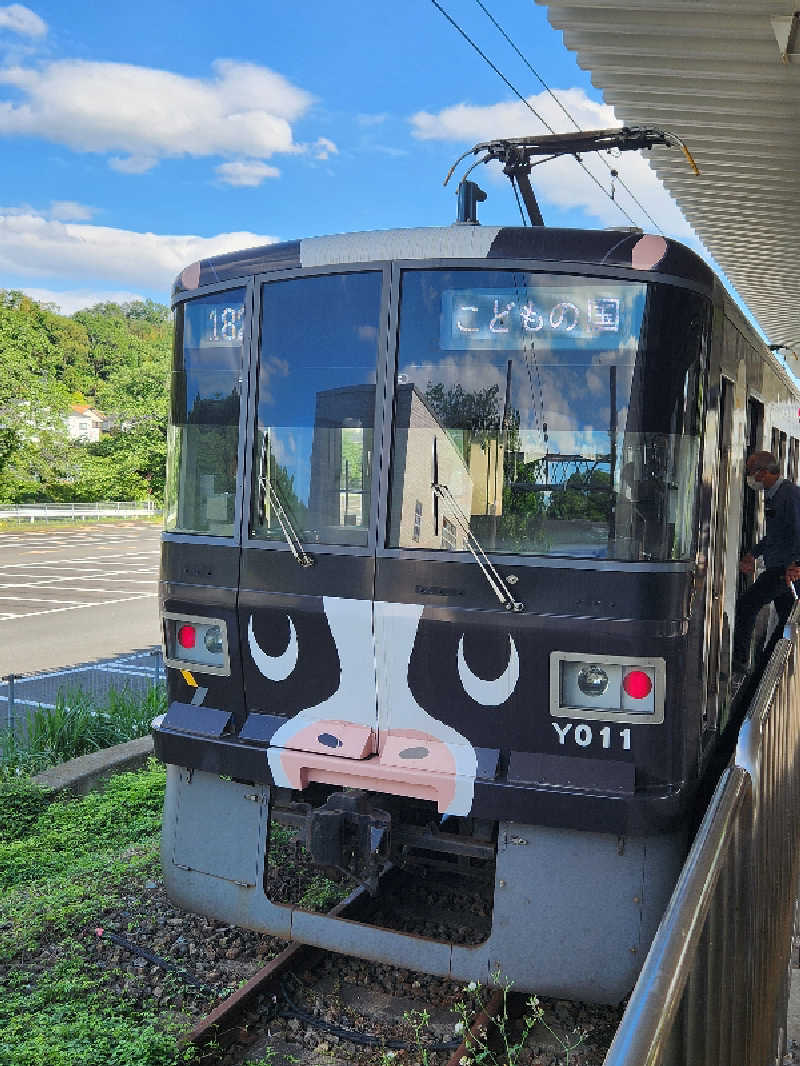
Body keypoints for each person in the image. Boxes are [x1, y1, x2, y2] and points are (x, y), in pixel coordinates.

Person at [733, 451, 800, 672]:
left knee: (746, 605)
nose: (749, 477)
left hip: (784, 569)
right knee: (786, 616)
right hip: (779, 566)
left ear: (762, 473)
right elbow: (774, 535)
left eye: (751, 472)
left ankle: (741, 661)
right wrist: (754, 553)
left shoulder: (789, 495)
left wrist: (797, 564)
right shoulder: (773, 494)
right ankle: (771, 662)